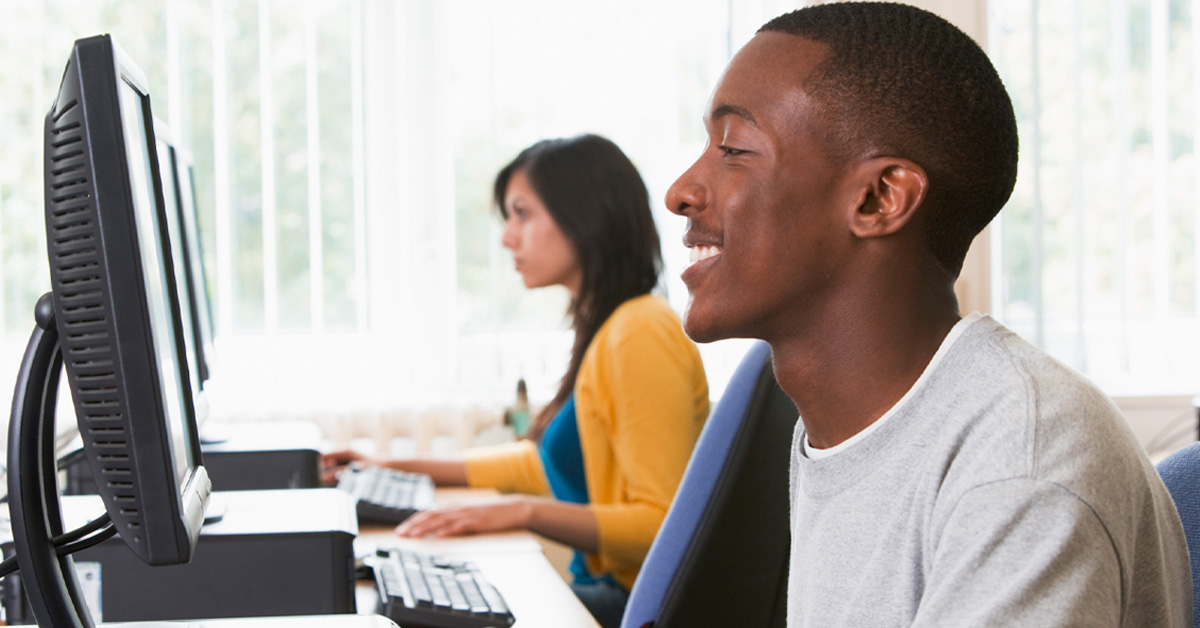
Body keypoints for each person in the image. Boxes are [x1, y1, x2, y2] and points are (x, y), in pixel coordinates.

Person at [663, 3, 1192, 627]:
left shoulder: (1022, 457)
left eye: (733, 148)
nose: (681, 191)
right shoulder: (846, 429)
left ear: (880, 197)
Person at [324, 134, 710, 628]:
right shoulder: (612, 326)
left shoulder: (641, 332)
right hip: (612, 595)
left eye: (522, 213)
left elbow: (662, 524)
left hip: (635, 609)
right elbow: (544, 465)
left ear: (585, 214)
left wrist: (520, 513)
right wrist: (390, 464)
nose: (508, 236)